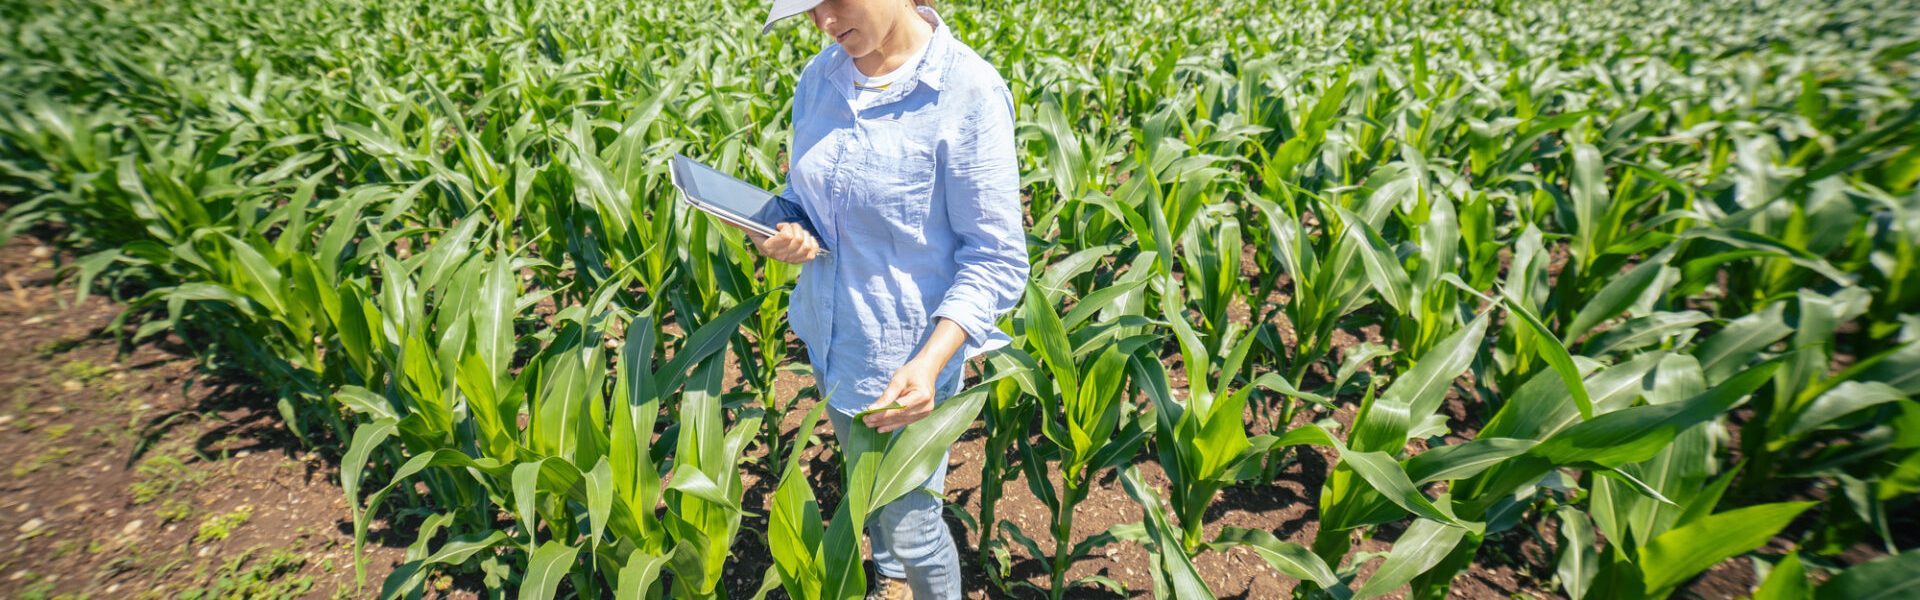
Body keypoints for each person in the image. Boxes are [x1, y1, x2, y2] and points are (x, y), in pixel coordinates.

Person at [754, 0, 1028, 597]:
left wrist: (932, 362)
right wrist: (787, 229)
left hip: (903, 367)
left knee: (913, 529)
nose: (823, 22)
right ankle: (891, 575)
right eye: (808, 10)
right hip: (830, 336)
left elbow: (995, 257)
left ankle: (910, 573)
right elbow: (810, 195)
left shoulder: (968, 91)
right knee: (867, 484)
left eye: (834, 2)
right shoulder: (820, 76)